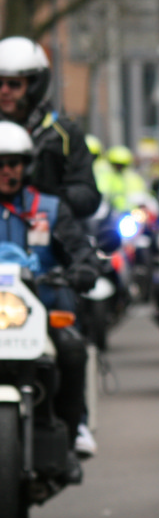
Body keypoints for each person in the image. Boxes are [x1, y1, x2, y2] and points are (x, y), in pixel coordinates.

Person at [0, 121, 99, 483]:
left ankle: (71, 437)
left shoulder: (50, 208)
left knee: (72, 350)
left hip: (39, 314)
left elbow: (79, 249)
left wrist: (83, 268)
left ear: (26, 165)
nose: (6, 171)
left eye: (13, 162)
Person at [0, 36, 100, 219]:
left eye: (14, 84)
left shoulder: (64, 133)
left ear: (34, 85)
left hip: (50, 228)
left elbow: (88, 197)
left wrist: (49, 195)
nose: (4, 91)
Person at [104, 145, 148, 213]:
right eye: (116, 164)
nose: (119, 167)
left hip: (131, 212)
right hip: (111, 212)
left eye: (122, 165)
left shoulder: (133, 178)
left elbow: (140, 195)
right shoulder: (106, 177)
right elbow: (104, 194)